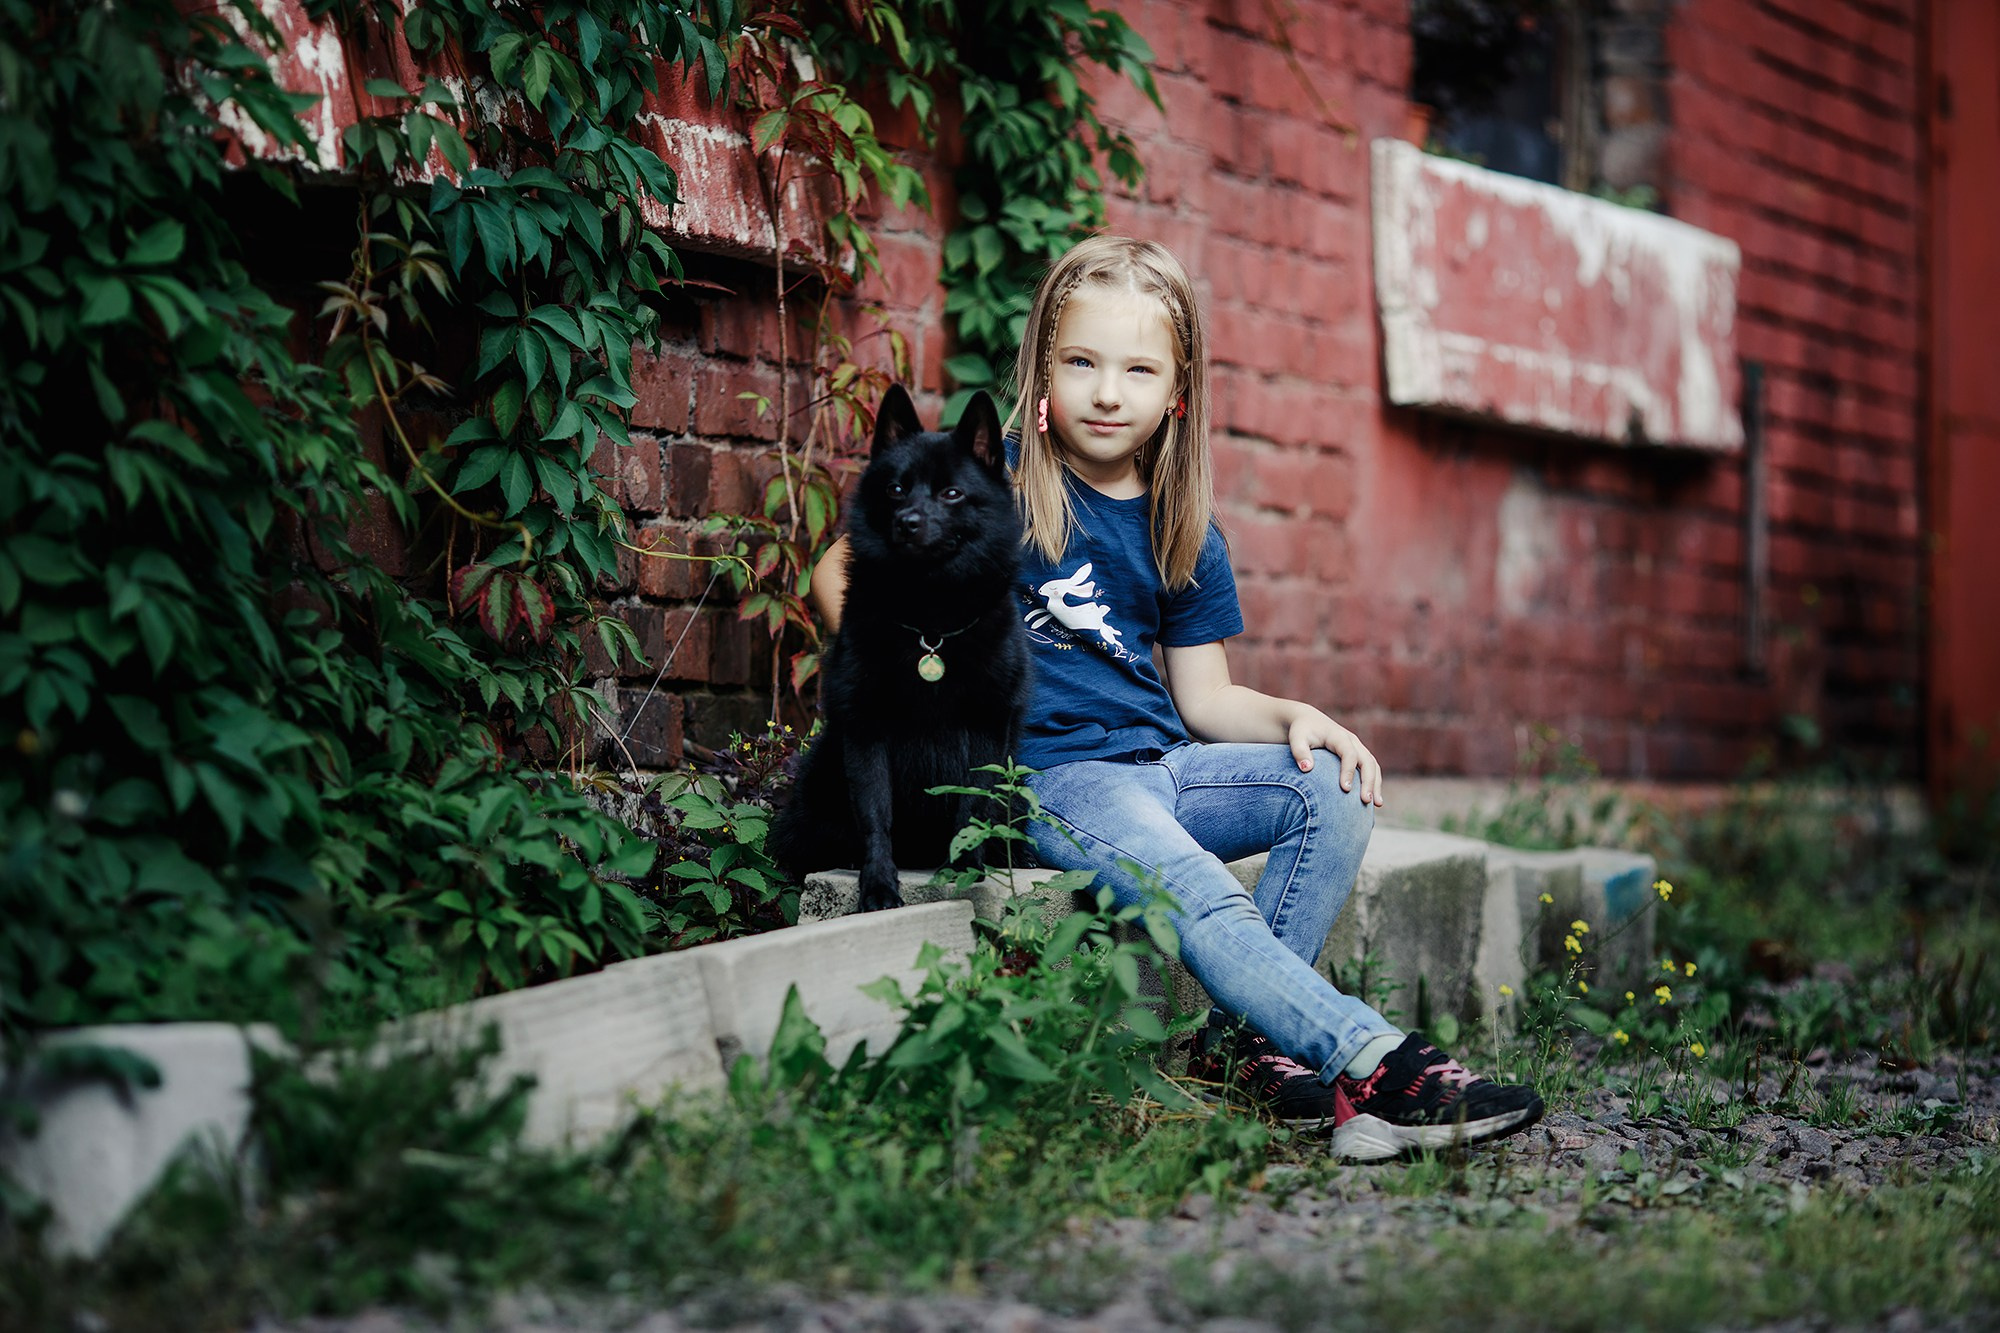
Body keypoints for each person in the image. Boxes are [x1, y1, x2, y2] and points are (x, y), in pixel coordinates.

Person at [809, 235, 1541, 1160]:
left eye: (1137, 369)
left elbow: (1206, 698)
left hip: (1169, 761)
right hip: (1068, 780)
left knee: (1334, 786)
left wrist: (1295, 721)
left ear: (1175, 393)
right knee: (1194, 886)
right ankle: (1371, 1056)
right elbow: (838, 574)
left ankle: (1243, 1048)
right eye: (1081, 363)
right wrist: (925, 667)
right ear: (1043, 371)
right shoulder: (997, 495)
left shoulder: (1179, 524)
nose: (1108, 391)